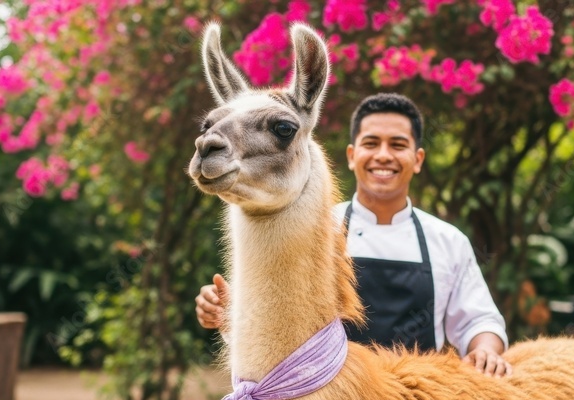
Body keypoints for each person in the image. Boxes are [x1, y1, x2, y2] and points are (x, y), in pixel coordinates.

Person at [195, 93, 511, 377]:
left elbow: (478, 321)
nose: (383, 156)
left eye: (398, 145)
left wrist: (484, 349)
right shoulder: (314, 229)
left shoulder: (447, 241)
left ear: (417, 160)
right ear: (351, 155)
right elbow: (276, 320)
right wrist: (228, 313)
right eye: (371, 144)